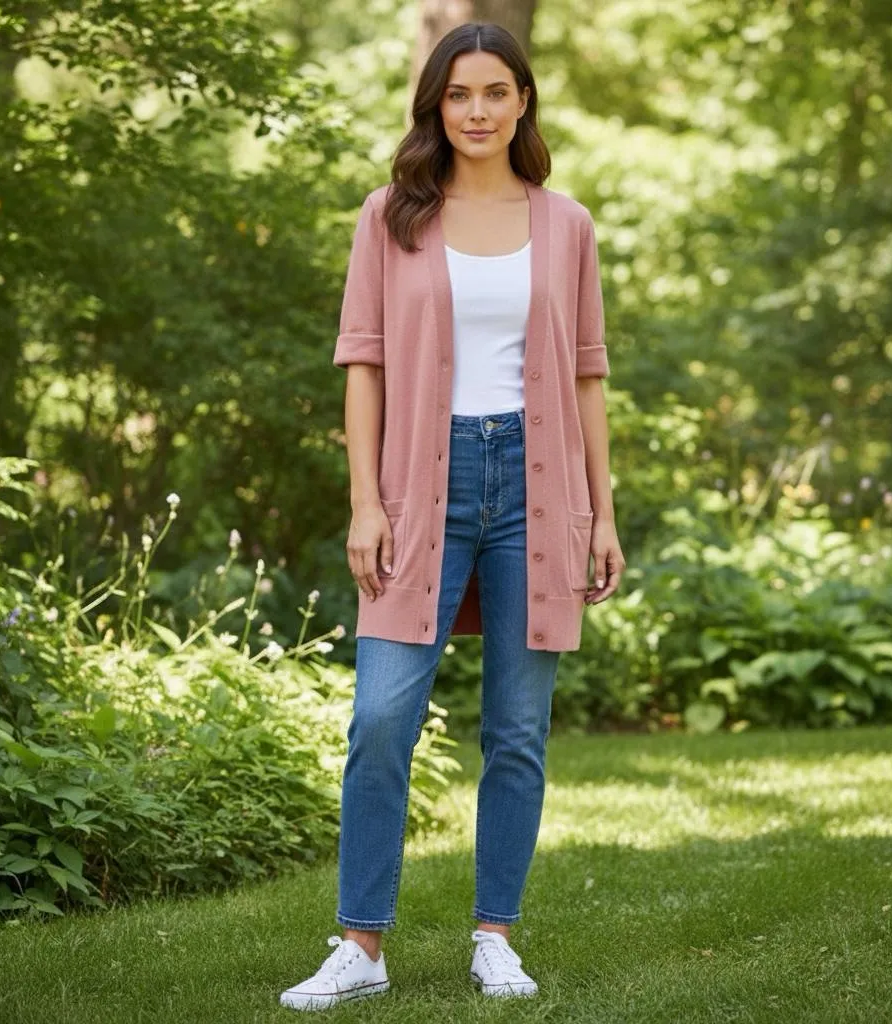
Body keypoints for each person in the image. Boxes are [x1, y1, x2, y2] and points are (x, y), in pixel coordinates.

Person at [279, 20, 625, 1012]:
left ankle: (494, 936)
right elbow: (363, 363)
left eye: (495, 92)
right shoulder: (390, 216)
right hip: (420, 485)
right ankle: (361, 944)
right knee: (380, 718)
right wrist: (365, 502)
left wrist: (602, 515)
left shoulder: (567, 224)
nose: (477, 110)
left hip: (538, 488)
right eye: (459, 93)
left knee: (516, 730)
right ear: (436, 103)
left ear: (523, 102)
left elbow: (588, 377)